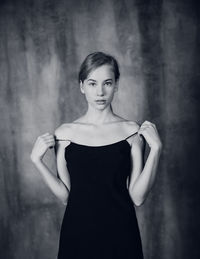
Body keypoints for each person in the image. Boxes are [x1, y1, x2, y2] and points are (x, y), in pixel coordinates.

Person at [30, 51, 162, 259]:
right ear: (82, 86)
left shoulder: (132, 132)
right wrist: (37, 162)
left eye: (107, 83)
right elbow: (66, 196)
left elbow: (137, 197)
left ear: (116, 85)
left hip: (121, 235)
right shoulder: (64, 134)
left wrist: (156, 150)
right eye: (92, 83)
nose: (100, 92)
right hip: (77, 235)